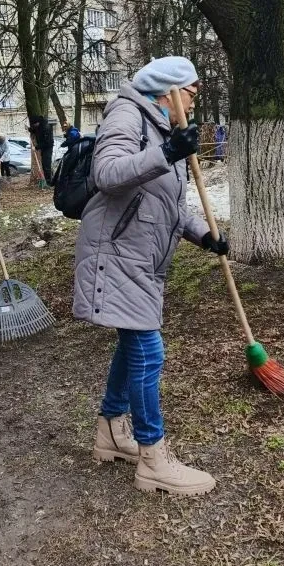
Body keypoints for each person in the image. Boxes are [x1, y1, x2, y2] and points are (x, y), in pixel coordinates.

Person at [75, 56, 227, 498]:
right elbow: (107, 174)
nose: (194, 104)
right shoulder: (128, 115)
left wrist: (204, 235)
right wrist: (167, 154)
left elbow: (167, 205)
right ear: (169, 92)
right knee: (147, 350)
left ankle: (110, 431)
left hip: (142, 257)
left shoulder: (162, 128)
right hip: (116, 253)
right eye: (192, 94)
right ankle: (153, 459)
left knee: (134, 347)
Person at [29, 114, 54, 184]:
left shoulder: (46, 127)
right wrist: (31, 130)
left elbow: (47, 142)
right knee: (44, 165)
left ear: (37, 122)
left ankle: (49, 182)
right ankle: (48, 180)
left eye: (34, 124)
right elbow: (37, 131)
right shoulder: (39, 126)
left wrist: (36, 147)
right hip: (43, 148)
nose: (34, 126)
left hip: (48, 148)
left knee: (46, 165)